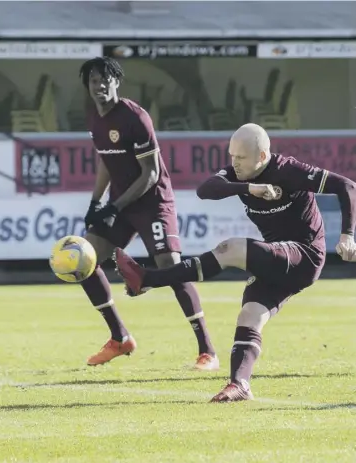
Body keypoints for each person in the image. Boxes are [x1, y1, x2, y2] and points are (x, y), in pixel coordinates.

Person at [114, 123, 356, 402]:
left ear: (262, 156)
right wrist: (251, 188)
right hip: (275, 259)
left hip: (304, 255)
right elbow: (206, 189)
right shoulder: (239, 176)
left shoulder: (288, 170)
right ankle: (239, 384)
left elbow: (346, 186)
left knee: (231, 248)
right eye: (232, 156)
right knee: (250, 316)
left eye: (241, 157)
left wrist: (348, 235)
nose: (234, 163)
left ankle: (147, 280)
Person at [77, 57, 218, 370]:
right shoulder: (95, 119)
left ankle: (208, 350)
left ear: (117, 81)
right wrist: (94, 203)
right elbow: (105, 161)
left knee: (171, 267)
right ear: (87, 86)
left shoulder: (134, 116)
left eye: (106, 79)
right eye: (94, 81)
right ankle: (119, 337)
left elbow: (150, 174)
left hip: (151, 202)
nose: (100, 86)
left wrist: (114, 207)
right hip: (121, 203)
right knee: (83, 262)